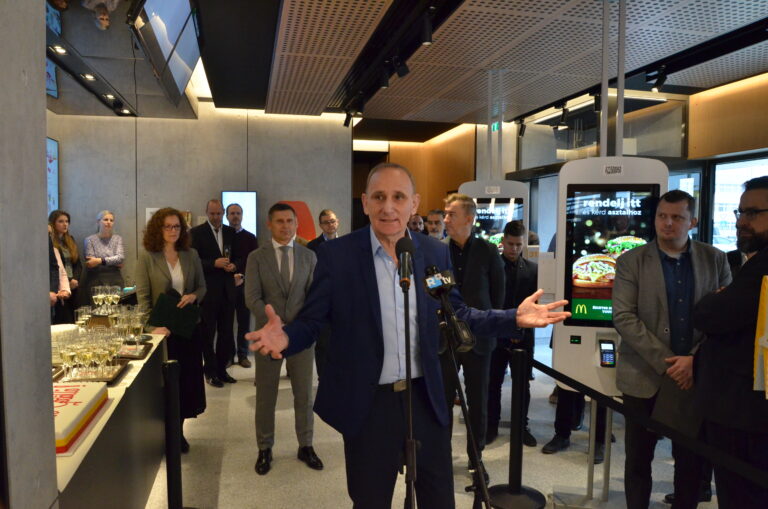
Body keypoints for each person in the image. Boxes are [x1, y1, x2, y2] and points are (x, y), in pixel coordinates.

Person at [246, 162, 570, 509]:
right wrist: (287, 338)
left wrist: (512, 318)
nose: (388, 207)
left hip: (425, 398)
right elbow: (313, 321)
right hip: (369, 404)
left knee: (439, 499)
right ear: (365, 202)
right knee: (370, 501)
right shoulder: (337, 256)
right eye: (379, 197)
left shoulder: (433, 252)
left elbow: (457, 312)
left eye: (398, 197)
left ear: (413, 203)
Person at [613, 190, 731, 509]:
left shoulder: (715, 259)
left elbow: (725, 317)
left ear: (692, 221)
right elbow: (624, 317)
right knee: (638, 461)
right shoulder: (631, 261)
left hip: (693, 377)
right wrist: (670, 363)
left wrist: (693, 360)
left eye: (677, 217)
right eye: (662, 216)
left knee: (690, 462)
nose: (667, 223)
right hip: (643, 376)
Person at [693, 176, 768, 509]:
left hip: (745, 414)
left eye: (753, 213)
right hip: (745, 409)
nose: (741, 222)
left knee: (742, 494)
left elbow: (709, 315)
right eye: (740, 212)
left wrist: (716, 298)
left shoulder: (761, 267)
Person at [245, 203, 322, 475]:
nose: (285, 226)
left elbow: (314, 298)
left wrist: (299, 327)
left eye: (290, 221)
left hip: (300, 337)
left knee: (304, 394)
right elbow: (252, 296)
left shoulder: (308, 256)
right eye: (279, 221)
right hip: (268, 337)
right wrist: (272, 322)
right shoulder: (256, 257)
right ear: (269, 224)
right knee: (266, 395)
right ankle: (264, 447)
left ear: (296, 224)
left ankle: (306, 445)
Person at [135, 207, 207, 454]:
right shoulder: (147, 257)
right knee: (165, 386)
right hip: (162, 332)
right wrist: (150, 327)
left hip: (187, 328)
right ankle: (165, 433)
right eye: (167, 226)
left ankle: (179, 432)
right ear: (158, 228)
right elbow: (143, 298)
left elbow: (202, 287)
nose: (173, 230)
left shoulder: (191, 254)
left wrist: (193, 296)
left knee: (186, 383)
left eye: (177, 226)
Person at [441, 192, 505, 466]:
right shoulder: (438, 250)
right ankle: (441, 458)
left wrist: (490, 325)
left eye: (451, 215)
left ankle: (475, 460)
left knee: (478, 402)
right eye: (445, 214)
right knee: (442, 400)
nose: (445, 219)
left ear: (469, 219)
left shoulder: (488, 251)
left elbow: (498, 294)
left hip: (479, 339)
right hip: (445, 338)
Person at [487, 220, 537, 447]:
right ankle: (491, 426)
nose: (514, 249)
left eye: (518, 244)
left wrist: (520, 329)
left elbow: (534, 306)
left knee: (522, 385)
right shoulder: (491, 267)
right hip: (496, 334)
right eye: (510, 244)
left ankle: (521, 427)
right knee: (493, 383)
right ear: (503, 242)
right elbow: (488, 304)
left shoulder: (533, 269)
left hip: (523, 336)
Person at [190, 199, 238, 387]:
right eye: (212, 214)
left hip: (227, 290)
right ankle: (210, 372)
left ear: (223, 213)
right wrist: (213, 263)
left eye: (219, 213)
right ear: (206, 212)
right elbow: (194, 262)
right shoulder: (196, 233)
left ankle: (222, 370)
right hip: (208, 291)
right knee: (207, 334)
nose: (216, 217)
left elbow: (239, 257)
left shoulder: (231, 232)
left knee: (226, 334)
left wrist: (235, 266)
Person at [306, 208, 339, 377]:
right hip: (322, 300)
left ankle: (339, 377)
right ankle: (323, 378)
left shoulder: (347, 244)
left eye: (332, 221)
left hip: (342, 300)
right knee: (323, 343)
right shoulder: (312, 246)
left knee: (341, 342)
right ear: (320, 225)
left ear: (337, 222)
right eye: (326, 222)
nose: (330, 225)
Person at [227, 203, 259, 368]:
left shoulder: (250, 238)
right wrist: (230, 277)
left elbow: (253, 262)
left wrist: (242, 276)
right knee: (226, 323)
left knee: (244, 322)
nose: (235, 216)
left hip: (244, 286)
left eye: (238, 213)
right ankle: (228, 356)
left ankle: (243, 355)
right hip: (226, 286)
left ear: (242, 216)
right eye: (232, 213)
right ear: (227, 216)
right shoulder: (223, 236)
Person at [49, 210, 82, 323]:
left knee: (74, 319)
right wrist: (68, 281)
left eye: (67, 221)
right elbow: (56, 268)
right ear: (53, 223)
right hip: (60, 286)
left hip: (74, 285)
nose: (65, 224)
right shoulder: (50, 242)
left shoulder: (70, 239)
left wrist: (75, 279)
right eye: (61, 221)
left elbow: (78, 264)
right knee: (62, 319)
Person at [83, 210, 125, 299]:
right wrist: (114, 261)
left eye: (111, 220)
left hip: (115, 279)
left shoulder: (118, 239)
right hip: (96, 279)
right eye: (105, 219)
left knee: (117, 307)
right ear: (98, 222)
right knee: (97, 307)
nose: (109, 222)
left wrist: (99, 260)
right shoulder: (90, 240)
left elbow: (120, 258)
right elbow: (91, 263)